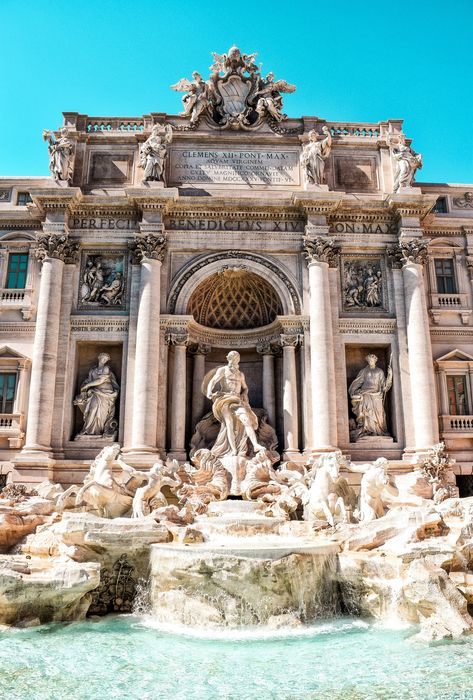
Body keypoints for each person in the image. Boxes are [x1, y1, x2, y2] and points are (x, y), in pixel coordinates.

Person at [204, 351, 264, 457]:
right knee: (229, 424)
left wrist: (244, 394)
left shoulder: (240, 374)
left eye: (236, 358)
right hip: (225, 399)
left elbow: (245, 388)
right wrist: (209, 391)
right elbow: (213, 381)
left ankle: (255, 445)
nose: (235, 360)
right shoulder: (223, 370)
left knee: (246, 419)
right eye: (232, 358)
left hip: (237, 400)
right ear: (228, 359)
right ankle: (233, 450)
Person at [74, 353, 119, 436]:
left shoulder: (106, 368)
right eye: (103, 358)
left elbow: (100, 380)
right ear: (99, 358)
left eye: (106, 359)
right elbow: (88, 380)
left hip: (106, 393)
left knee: (102, 413)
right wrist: (84, 387)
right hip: (95, 392)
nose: (104, 360)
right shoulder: (93, 370)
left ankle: (98, 431)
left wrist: (88, 385)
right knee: (93, 409)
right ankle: (88, 430)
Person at [348, 354, 392, 438]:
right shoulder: (364, 371)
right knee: (367, 413)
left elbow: (384, 386)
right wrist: (354, 391)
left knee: (379, 414)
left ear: (375, 361)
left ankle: (378, 430)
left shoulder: (380, 371)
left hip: (377, 395)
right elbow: (358, 382)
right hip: (366, 394)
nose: (371, 362)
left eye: (372, 360)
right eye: (369, 360)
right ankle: (368, 430)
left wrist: (390, 375)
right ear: (368, 361)